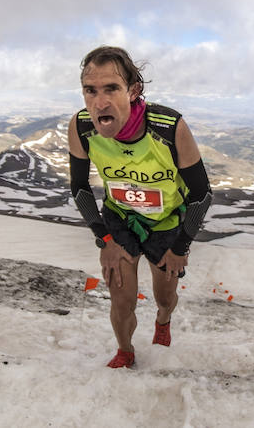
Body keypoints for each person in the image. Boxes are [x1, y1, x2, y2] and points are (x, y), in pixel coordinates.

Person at [68, 46, 212, 369]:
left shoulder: (169, 128)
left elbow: (202, 195)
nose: (99, 102)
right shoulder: (81, 127)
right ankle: (125, 351)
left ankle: (163, 321)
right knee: (121, 300)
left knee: (164, 297)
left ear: (133, 90)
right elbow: (79, 188)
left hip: (165, 225)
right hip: (120, 222)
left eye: (111, 89)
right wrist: (104, 238)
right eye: (90, 91)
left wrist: (181, 246)